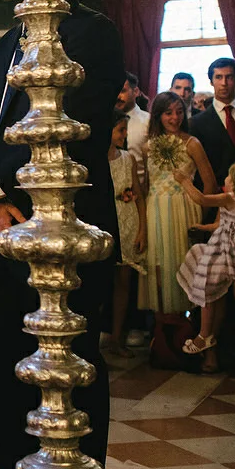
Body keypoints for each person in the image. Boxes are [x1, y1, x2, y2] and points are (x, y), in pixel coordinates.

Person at [0, 0, 123, 469]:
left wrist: (0, 185)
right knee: (2, 356)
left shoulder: (92, 32)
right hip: (3, 225)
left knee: (70, 355)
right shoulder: (10, 37)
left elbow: (79, 122)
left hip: (67, 223)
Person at [173, 162, 235, 374]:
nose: (225, 180)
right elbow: (223, 224)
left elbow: (201, 199)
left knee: (205, 279)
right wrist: (203, 228)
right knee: (204, 271)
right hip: (233, 253)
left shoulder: (231, 198)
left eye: (229, 176)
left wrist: (184, 180)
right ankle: (206, 335)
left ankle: (203, 335)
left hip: (228, 253)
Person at [138, 92, 217, 317]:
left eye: (179, 112)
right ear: (158, 116)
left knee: (186, 264)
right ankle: (163, 330)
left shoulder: (192, 144)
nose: (175, 118)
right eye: (168, 113)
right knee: (159, 265)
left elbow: (210, 183)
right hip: (155, 209)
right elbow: (146, 186)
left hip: (185, 208)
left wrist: (199, 211)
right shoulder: (148, 147)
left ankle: (188, 326)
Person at [105, 112, 148, 354]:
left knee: (124, 282)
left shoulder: (127, 158)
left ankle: (116, 337)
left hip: (127, 220)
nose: (124, 135)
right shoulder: (97, 159)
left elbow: (139, 196)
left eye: (125, 130)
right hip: (106, 220)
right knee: (101, 281)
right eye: (120, 130)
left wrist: (142, 229)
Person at [190, 57, 235, 190]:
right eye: (218, 77)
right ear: (211, 82)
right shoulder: (196, 123)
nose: (224, 83)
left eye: (229, 77)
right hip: (218, 193)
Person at [117, 71, 148, 154]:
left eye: (122, 91)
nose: (117, 96)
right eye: (115, 91)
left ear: (136, 91)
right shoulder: (104, 120)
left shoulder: (149, 121)